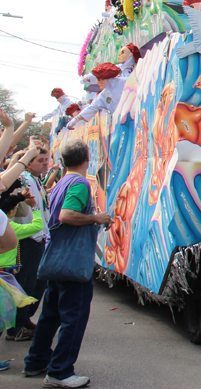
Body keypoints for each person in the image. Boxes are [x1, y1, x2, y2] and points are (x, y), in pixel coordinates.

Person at [23, 139, 111, 388]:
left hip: (57, 259)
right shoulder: (80, 183)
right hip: (73, 263)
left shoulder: (62, 182)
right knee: (74, 318)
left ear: (62, 161)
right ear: (87, 158)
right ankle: (60, 372)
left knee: (50, 315)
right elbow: (66, 215)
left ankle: (36, 360)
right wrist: (97, 217)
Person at [6, 143, 50, 341]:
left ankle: (24, 320)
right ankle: (16, 326)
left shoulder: (35, 179)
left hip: (38, 236)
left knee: (36, 282)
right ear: (28, 164)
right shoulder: (24, 179)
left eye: (46, 159)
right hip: (27, 237)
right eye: (40, 160)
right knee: (25, 282)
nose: (45, 163)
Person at [67, 63, 126, 129]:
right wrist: (76, 120)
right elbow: (92, 107)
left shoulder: (125, 82)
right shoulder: (104, 95)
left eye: (98, 79)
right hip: (121, 124)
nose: (97, 82)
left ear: (105, 78)